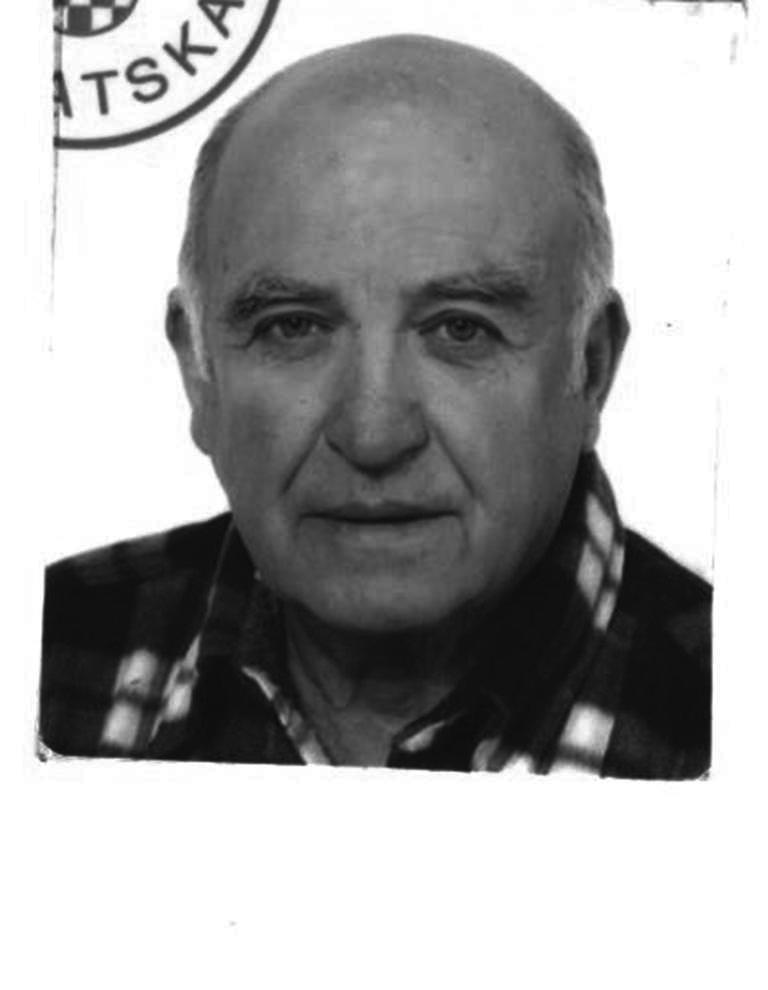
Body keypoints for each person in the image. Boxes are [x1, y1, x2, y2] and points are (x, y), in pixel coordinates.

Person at [40, 35, 711, 776]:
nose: (373, 433)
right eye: (292, 327)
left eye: (461, 329)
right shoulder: (41, 654)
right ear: (200, 372)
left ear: (592, 367)